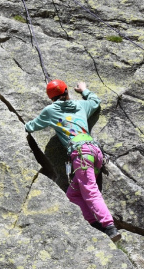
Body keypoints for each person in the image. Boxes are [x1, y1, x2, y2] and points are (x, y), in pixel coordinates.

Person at [25, 80, 121, 242]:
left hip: (81, 154)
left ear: (51, 98)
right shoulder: (81, 105)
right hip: (95, 153)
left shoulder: (50, 111)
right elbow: (96, 102)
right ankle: (95, 225)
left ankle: (109, 226)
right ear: (67, 91)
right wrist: (84, 90)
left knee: (89, 189)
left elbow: (31, 126)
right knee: (73, 194)